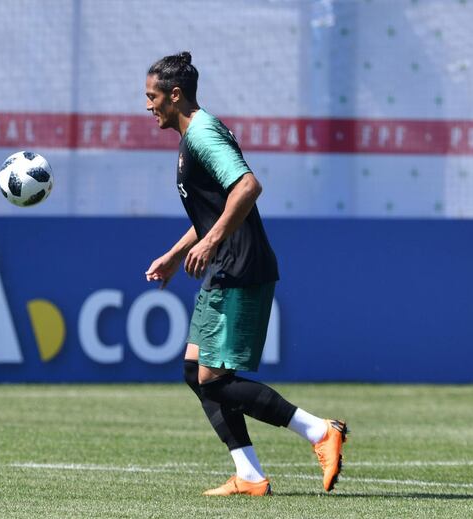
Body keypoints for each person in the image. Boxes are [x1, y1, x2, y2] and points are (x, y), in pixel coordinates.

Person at [144, 51, 347, 496]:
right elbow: (215, 209)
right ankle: (250, 476)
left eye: (152, 96)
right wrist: (179, 253)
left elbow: (248, 187)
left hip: (238, 263)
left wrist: (212, 240)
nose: (148, 105)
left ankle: (319, 431)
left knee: (212, 381)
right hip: (225, 260)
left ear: (175, 96)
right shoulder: (192, 135)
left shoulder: (202, 133)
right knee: (194, 370)